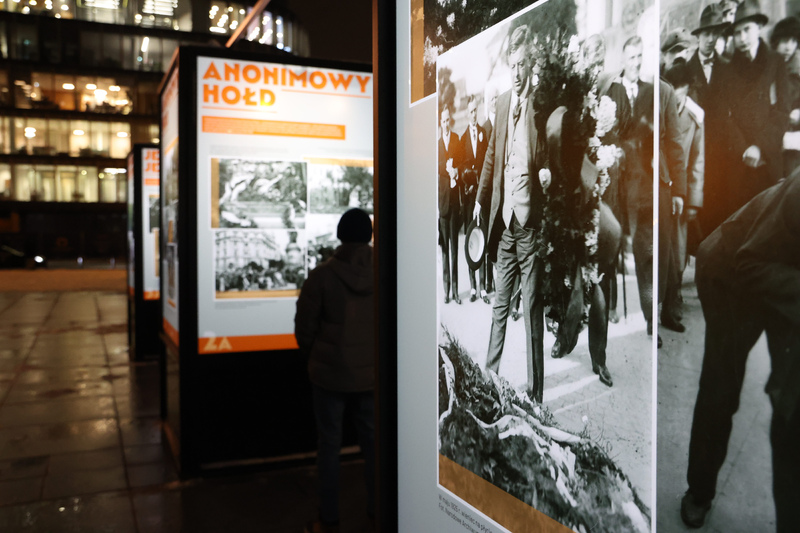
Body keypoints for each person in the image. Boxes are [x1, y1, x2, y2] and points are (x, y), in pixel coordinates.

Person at [681, 174, 800, 532]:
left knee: (791, 401)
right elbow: (750, 263)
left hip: (781, 278)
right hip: (731, 273)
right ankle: (698, 492)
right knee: (722, 388)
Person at [474, 24, 547, 403]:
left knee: (532, 309)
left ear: (530, 65)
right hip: (505, 224)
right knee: (500, 304)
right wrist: (479, 199)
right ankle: (489, 377)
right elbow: (491, 155)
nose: (517, 73)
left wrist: (546, 175)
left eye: (523, 65)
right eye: (512, 65)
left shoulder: (541, 102)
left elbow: (549, 153)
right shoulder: (501, 103)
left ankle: (536, 393)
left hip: (530, 226)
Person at [294, 208, 375, 533]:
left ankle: (328, 518)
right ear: (369, 235)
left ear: (341, 235)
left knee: (329, 446)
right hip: (370, 379)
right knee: (374, 447)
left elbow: (304, 329)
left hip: (328, 378)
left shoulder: (321, 276)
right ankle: (378, 512)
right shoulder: (384, 272)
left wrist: (316, 357)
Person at [704, 0, 790, 234]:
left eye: (747, 30)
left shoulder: (775, 63)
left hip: (767, 162)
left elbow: (782, 112)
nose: (742, 38)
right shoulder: (727, 70)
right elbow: (723, 117)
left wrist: (760, 147)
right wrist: (744, 149)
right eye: (738, 33)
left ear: (759, 28)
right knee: (740, 231)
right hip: (738, 164)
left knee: (768, 232)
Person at [662, 63, 703, 332]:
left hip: (683, 190)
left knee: (678, 252)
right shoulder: (661, 107)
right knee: (662, 252)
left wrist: (693, 201)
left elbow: (699, 160)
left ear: (689, 87)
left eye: (682, 87)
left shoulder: (695, 117)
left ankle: (672, 308)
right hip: (663, 188)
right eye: (673, 86)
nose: (677, 92)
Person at [460, 96, 489, 303]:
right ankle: (472, 288)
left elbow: (487, 162)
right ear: (466, 113)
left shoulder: (483, 134)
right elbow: (461, 167)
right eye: (470, 111)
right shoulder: (462, 139)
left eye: (475, 111)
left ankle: (485, 286)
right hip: (470, 196)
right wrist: (467, 180)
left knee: (483, 236)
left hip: (482, 195)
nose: (473, 115)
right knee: (472, 238)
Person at [438, 103, 463, 304]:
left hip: (454, 202)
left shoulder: (456, 140)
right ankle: (446, 290)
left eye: (448, 120)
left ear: (450, 121)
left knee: (454, 247)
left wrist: (457, 171)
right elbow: (436, 167)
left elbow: (462, 163)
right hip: (443, 202)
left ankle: (455, 291)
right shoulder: (437, 144)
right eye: (443, 121)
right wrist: (447, 169)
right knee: (445, 249)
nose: (446, 124)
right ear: (440, 122)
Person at [771, 16, 800, 176]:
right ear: (776, 43)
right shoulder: (769, 67)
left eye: (793, 41)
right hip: (773, 138)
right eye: (784, 41)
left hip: (795, 141)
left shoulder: (798, 69)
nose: (789, 47)